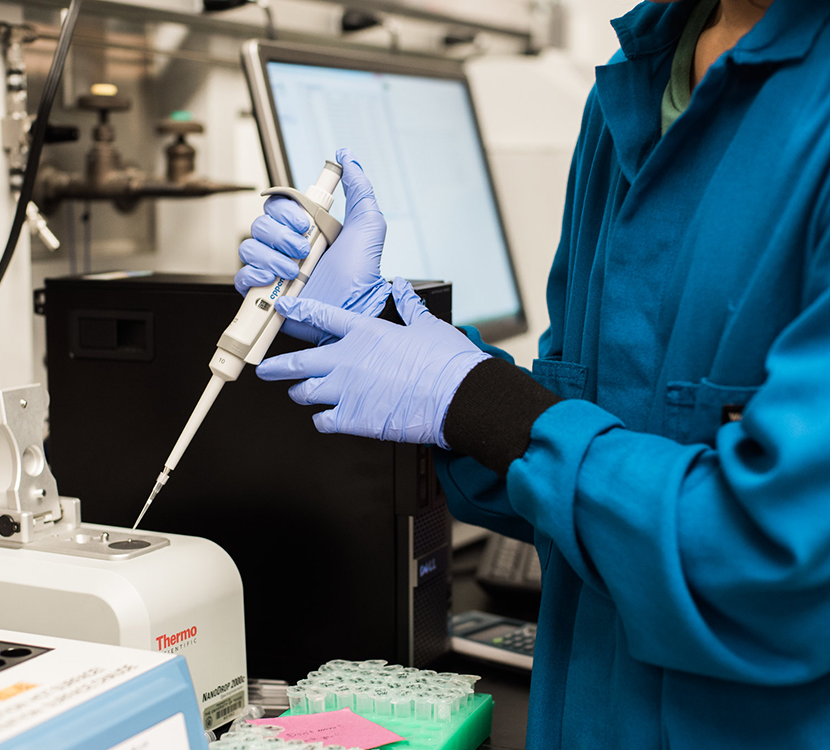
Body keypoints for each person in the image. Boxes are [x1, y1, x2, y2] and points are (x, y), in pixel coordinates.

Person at [236, 0, 830, 747]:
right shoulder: (637, 82)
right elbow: (581, 467)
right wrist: (375, 332)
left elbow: (774, 558)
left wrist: (474, 397)